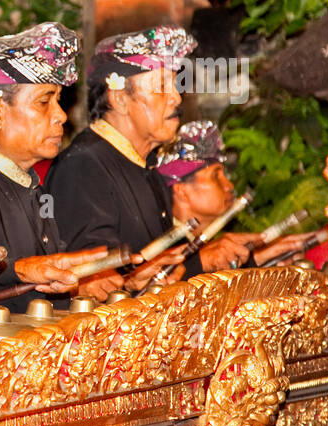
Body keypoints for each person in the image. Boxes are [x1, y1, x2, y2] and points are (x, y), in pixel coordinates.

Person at [0, 23, 126, 317]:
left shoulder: (29, 184)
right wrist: (21, 270)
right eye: (44, 102)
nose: (61, 115)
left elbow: (44, 282)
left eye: (58, 100)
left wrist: (81, 281)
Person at [45, 26, 215, 287]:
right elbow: (98, 277)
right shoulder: (83, 167)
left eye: (175, 84)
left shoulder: (144, 163)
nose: (176, 98)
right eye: (160, 86)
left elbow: (159, 261)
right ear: (120, 98)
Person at [155, 120, 316, 270]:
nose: (229, 185)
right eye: (215, 176)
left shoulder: (204, 244)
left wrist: (262, 259)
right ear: (182, 190)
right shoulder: (162, 250)